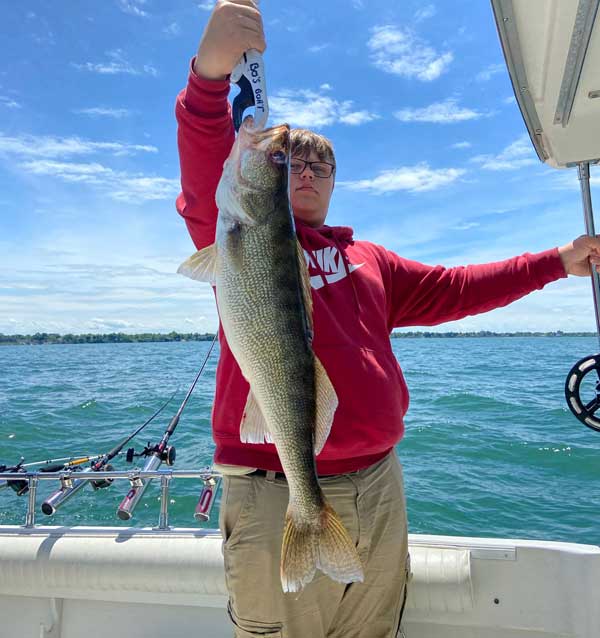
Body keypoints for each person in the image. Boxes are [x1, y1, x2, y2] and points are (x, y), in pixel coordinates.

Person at [175, 2, 600, 636]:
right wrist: (209, 80)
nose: (309, 172)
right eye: (292, 164)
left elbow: (458, 288)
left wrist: (555, 262)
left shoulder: (367, 259)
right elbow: (208, 154)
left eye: (323, 167)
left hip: (378, 484)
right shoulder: (235, 233)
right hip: (271, 487)